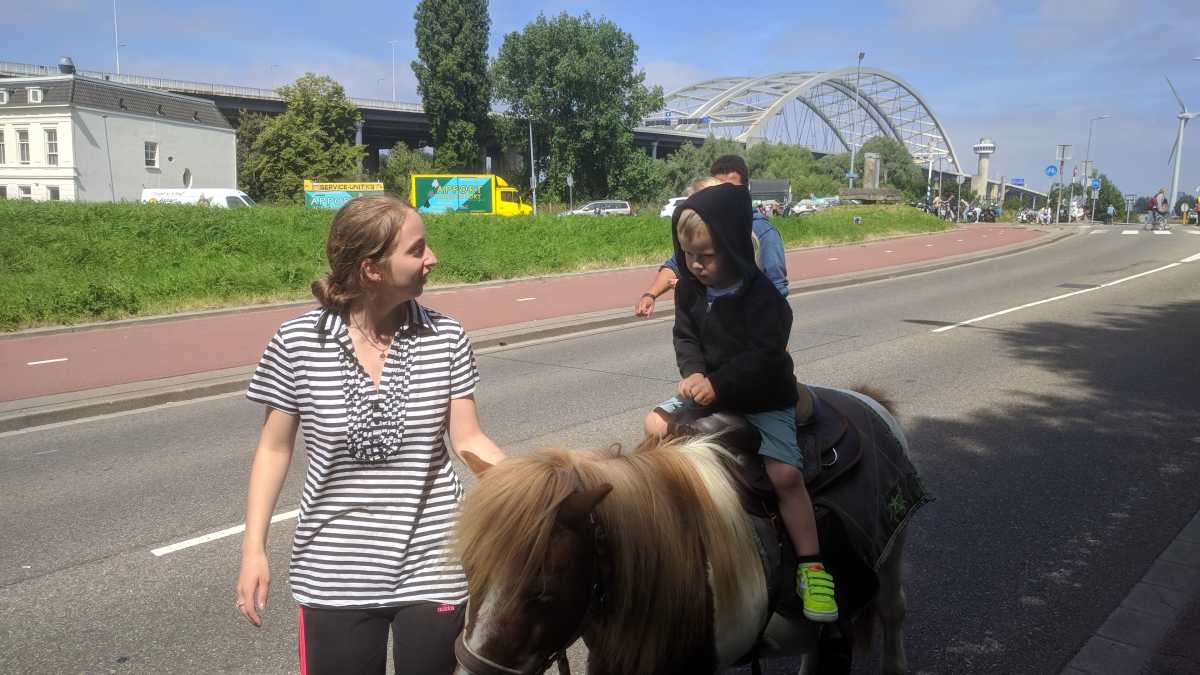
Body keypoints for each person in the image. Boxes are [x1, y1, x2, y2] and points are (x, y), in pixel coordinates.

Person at [235, 195, 506, 675]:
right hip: (333, 572)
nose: (432, 258)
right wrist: (253, 548)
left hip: (433, 565)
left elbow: (469, 440)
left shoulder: (446, 337)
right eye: (416, 250)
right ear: (371, 269)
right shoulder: (298, 342)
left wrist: (545, 487)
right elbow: (274, 450)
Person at [642, 182, 839, 623]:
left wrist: (720, 384)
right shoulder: (689, 290)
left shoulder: (763, 298)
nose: (696, 264)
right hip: (708, 387)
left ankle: (811, 566)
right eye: (688, 254)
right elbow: (686, 338)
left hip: (763, 396)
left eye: (707, 255)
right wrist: (693, 372)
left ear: (733, 247)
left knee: (785, 474)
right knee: (654, 425)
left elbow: (766, 356)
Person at [634, 155, 788, 317]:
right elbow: (676, 264)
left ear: (744, 190)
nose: (723, 195)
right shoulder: (703, 225)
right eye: (718, 189)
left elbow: (777, 289)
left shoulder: (762, 231)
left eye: (730, 189)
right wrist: (650, 294)